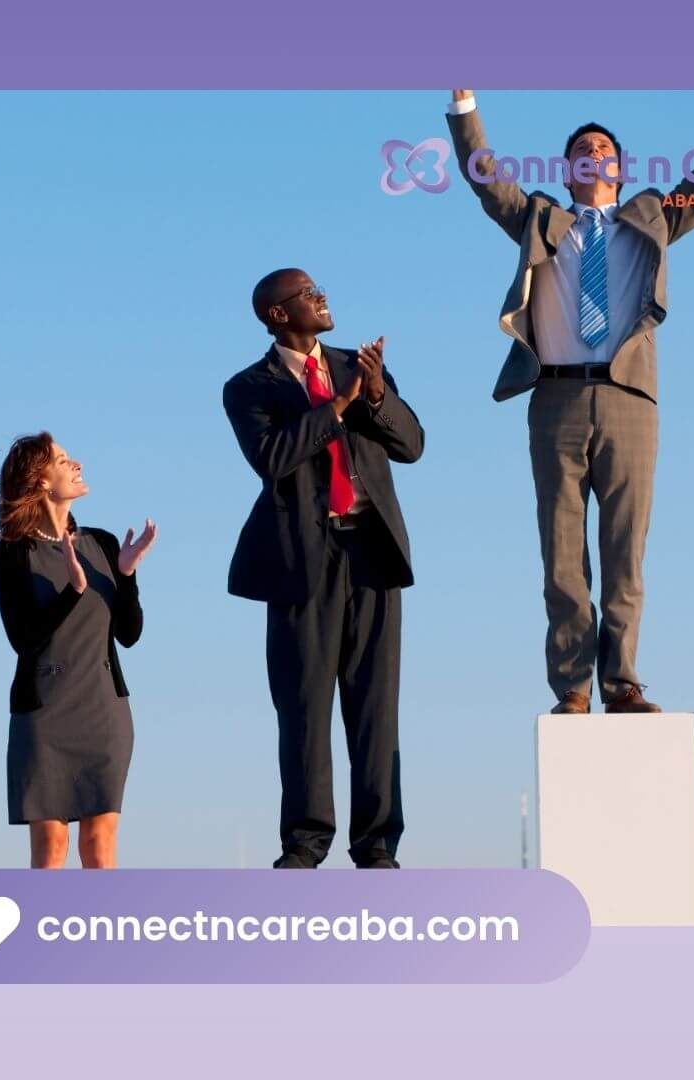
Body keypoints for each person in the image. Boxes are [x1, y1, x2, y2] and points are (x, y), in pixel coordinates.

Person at [444, 89, 694, 714]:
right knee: (561, 551)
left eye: (605, 149)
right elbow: (486, 181)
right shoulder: (538, 217)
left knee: (624, 546)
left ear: (619, 169)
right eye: (582, 149)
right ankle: (572, 687)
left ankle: (622, 680)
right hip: (554, 396)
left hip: (628, 397)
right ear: (566, 172)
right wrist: (465, 110)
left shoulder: (651, 217)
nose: (594, 154)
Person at [223, 268, 425, 869]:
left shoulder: (358, 367)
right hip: (301, 561)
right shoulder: (248, 388)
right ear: (277, 314)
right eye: (308, 294)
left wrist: (377, 395)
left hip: (373, 553)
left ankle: (377, 844)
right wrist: (338, 406)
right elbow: (273, 458)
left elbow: (411, 445)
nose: (323, 298)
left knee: (375, 705)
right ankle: (306, 844)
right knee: (304, 705)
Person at [0, 433, 156, 869]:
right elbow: (22, 639)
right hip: (45, 716)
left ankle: (99, 937)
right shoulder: (13, 554)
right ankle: (45, 937)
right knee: (51, 850)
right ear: (41, 480)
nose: (76, 463)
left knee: (99, 846)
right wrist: (73, 591)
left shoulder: (101, 543)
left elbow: (130, 634)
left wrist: (127, 574)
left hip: (103, 712)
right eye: (63, 460)